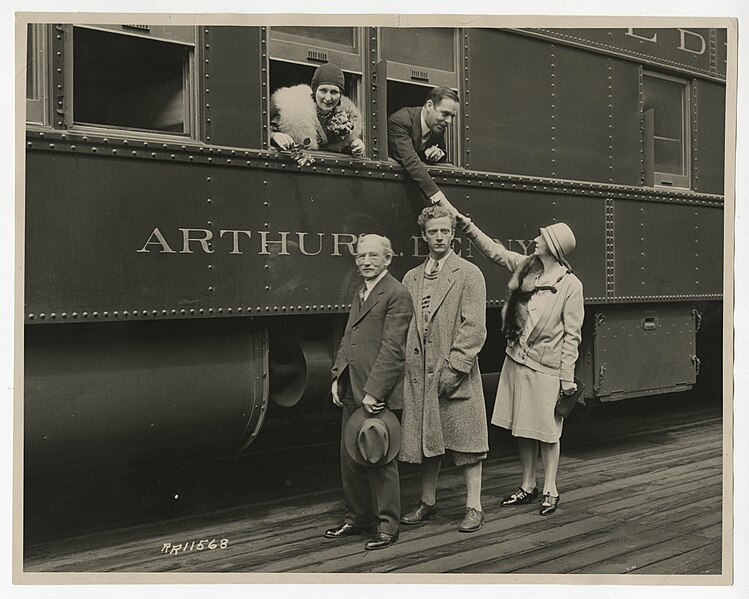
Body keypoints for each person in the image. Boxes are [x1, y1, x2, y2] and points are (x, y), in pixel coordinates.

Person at [455, 212, 584, 516]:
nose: (535, 240)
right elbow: (496, 253)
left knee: (549, 432)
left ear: (552, 247)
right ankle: (528, 485)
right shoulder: (528, 267)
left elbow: (571, 335)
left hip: (547, 366)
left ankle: (551, 488)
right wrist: (470, 227)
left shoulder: (570, 285)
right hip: (517, 361)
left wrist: (567, 379)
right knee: (523, 428)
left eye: (541, 237)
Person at [399, 205, 489, 533]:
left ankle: (474, 507)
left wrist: (455, 369)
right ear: (424, 236)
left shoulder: (468, 274)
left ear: (453, 234)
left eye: (445, 231)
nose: (439, 237)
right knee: (428, 442)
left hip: (454, 373)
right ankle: (427, 502)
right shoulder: (411, 278)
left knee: (467, 443)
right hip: (421, 375)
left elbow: (474, 327)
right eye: (433, 232)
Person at [326, 234, 413, 550]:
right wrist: (338, 376)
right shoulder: (361, 292)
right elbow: (348, 338)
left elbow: (393, 350)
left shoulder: (396, 294)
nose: (365, 262)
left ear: (387, 259)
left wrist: (376, 391)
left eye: (373, 256)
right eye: (361, 256)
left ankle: (388, 526)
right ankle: (358, 519)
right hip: (353, 385)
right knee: (350, 457)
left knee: (379, 456)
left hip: (376, 392)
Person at [269, 62, 365, 156]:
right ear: (314, 91)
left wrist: (355, 144)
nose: (328, 98)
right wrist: (274, 136)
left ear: (340, 95)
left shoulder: (346, 116)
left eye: (334, 92)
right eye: (323, 91)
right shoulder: (292, 108)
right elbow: (265, 131)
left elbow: (340, 147)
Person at [387, 87, 459, 206]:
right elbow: (411, 161)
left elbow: (443, 151)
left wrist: (438, 153)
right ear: (429, 106)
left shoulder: (436, 125)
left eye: (452, 116)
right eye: (445, 114)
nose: (449, 121)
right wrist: (445, 204)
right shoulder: (399, 121)